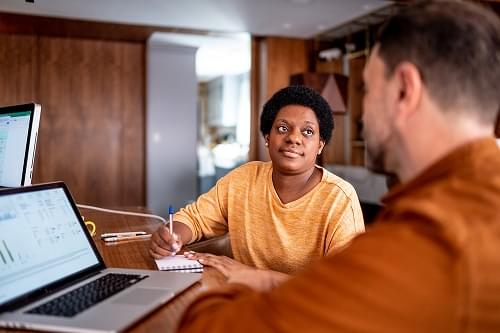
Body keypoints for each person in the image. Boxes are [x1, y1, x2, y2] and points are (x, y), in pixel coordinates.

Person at [177, 1, 500, 332]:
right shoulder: (469, 201)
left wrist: (227, 279)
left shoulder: (430, 238)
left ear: (404, 91)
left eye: (367, 90)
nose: (360, 116)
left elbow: (210, 328)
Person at [150, 85, 364, 283]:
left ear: (320, 145)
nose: (293, 138)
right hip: (244, 302)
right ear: (267, 137)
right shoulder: (242, 179)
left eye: (307, 131)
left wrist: (253, 276)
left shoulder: (340, 199)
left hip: (306, 315)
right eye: (282, 128)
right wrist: (173, 236)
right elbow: (193, 219)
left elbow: (344, 286)